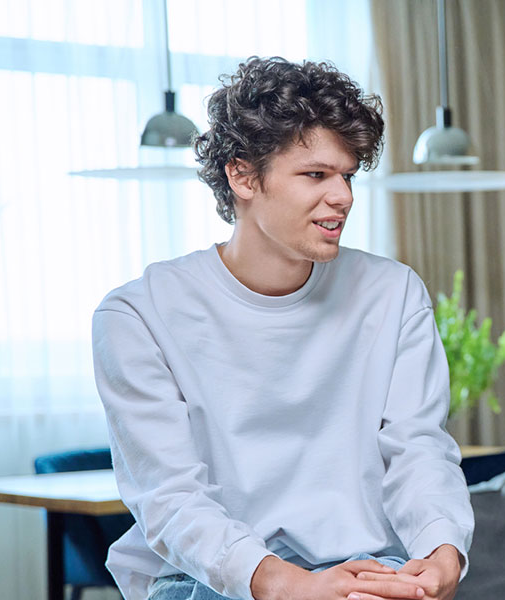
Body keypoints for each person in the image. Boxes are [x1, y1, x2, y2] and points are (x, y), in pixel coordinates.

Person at [92, 56, 473, 600]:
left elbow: (418, 449)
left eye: (347, 174)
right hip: (213, 576)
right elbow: (170, 500)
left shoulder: (393, 292)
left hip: (364, 565)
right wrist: (287, 585)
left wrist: (442, 551)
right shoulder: (138, 315)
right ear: (242, 175)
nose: (342, 196)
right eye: (316, 174)